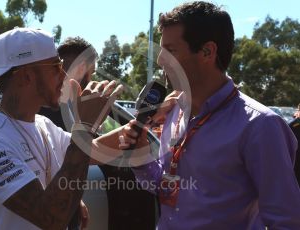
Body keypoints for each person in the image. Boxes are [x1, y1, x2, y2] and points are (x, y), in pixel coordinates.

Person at [119, 1, 300, 229]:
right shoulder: (174, 113)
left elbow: (286, 220)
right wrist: (140, 158)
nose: (160, 60)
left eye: (171, 51)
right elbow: (165, 187)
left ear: (207, 51)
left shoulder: (261, 126)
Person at [0, 27, 122, 230]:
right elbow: (51, 218)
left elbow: (90, 151)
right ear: (27, 76)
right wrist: (85, 127)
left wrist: (139, 126)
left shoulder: (42, 124)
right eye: (56, 67)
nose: (64, 75)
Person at [58, 36, 98, 229]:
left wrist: (76, 200)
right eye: (92, 72)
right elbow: (80, 152)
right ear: (82, 68)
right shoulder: (52, 107)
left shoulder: (67, 104)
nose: (91, 79)